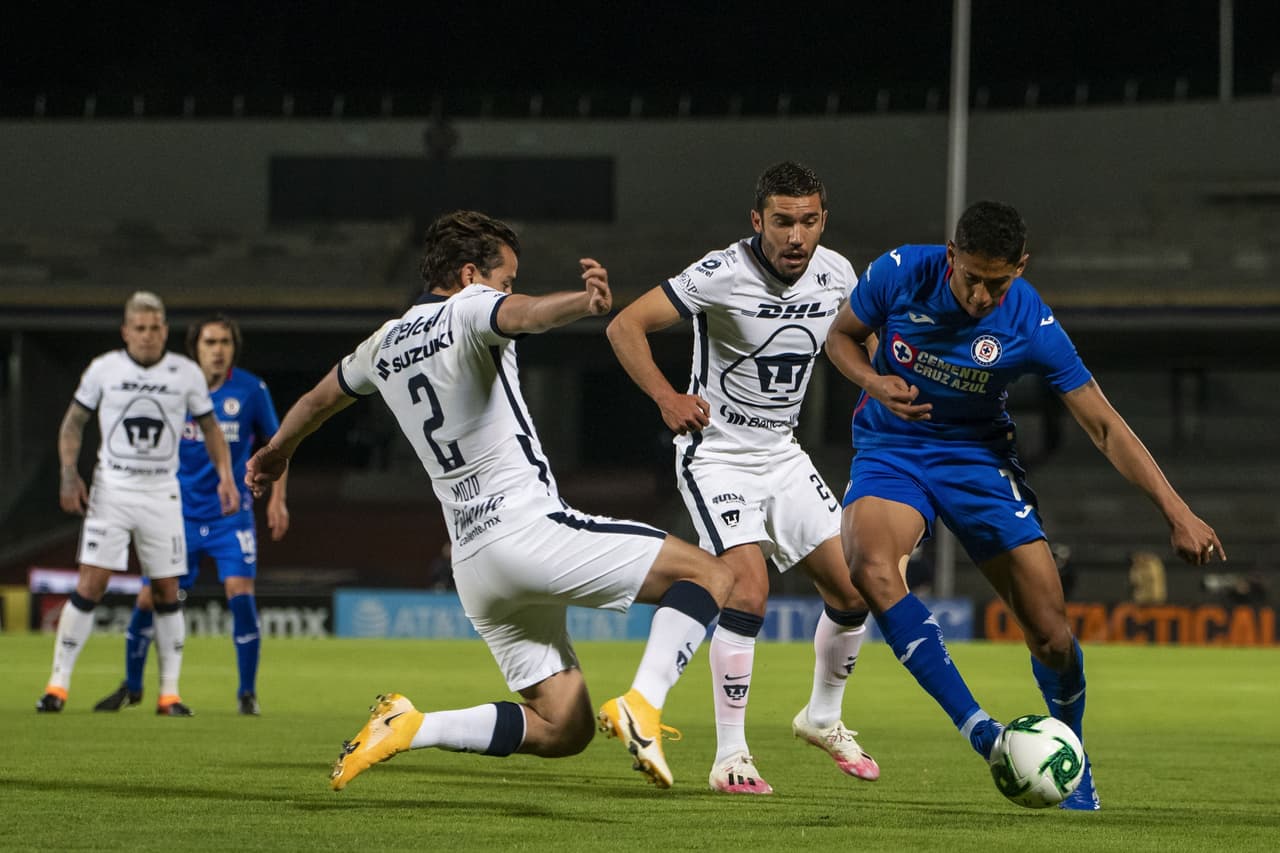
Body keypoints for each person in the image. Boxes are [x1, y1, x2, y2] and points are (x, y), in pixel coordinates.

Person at [245, 210, 733, 791]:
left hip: (473, 564)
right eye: (505, 279)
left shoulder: (382, 344)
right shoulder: (470, 308)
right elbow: (527, 314)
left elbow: (316, 400)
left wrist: (277, 452)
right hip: (527, 531)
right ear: (470, 275)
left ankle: (410, 725)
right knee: (711, 575)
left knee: (563, 726)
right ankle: (643, 705)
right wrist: (583, 304)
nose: (507, 290)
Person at [824, 200, 1225, 810]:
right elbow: (841, 336)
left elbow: (1104, 426)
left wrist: (1177, 511)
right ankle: (983, 733)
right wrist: (874, 383)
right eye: (971, 278)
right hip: (893, 449)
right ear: (951, 256)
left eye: (998, 283)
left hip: (979, 461)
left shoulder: (1030, 321)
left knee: (1052, 636)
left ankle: (1072, 754)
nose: (982, 296)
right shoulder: (900, 272)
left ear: (1021, 268)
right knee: (872, 567)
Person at [605, 161, 879, 795]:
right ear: (758, 220)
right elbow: (625, 325)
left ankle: (822, 717)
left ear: (823, 221)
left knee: (855, 588)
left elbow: (862, 338)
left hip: (783, 455)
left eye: (808, 221)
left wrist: (885, 382)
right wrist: (666, 397)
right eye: (782, 221)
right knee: (748, 590)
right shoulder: (721, 272)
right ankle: (730, 755)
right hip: (718, 456)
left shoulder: (839, 273)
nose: (795, 236)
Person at [38, 291, 238, 715]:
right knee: (91, 583)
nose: (147, 335)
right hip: (112, 490)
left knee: (167, 589)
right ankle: (57, 685)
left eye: (154, 328)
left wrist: (225, 476)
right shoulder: (103, 369)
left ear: (165, 330)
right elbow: (73, 422)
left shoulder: (184, 373)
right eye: (140, 328)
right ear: (126, 331)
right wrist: (68, 472)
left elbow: (211, 429)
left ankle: (169, 694)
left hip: (162, 492)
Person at [93, 313, 290, 716]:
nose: (218, 351)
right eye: (210, 343)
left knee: (240, 594)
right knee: (149, 597)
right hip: (175, 515)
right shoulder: (172, 387)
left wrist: (277, 500)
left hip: (230, 515)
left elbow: (278, 446)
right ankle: (132, 686)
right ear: (195, 348)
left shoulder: (251, 389)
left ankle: (247, 694)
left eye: (225, 343)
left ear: (233, 348)